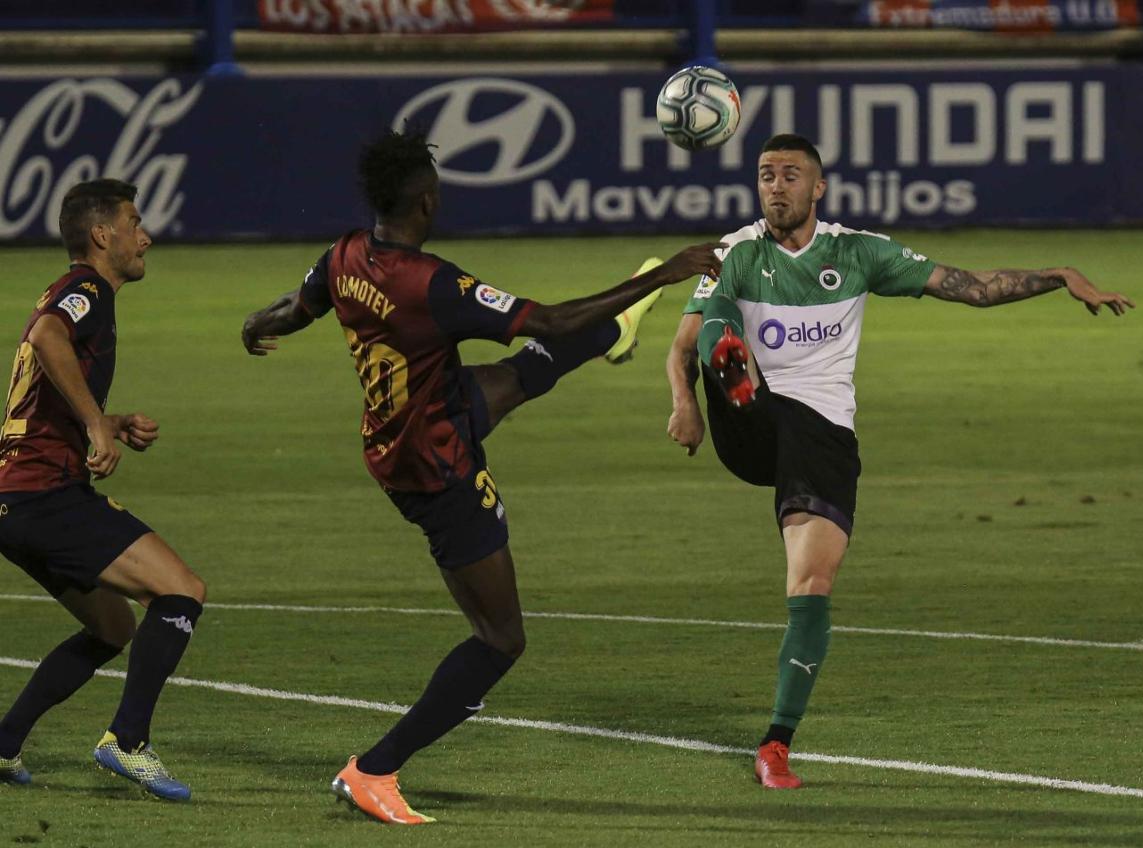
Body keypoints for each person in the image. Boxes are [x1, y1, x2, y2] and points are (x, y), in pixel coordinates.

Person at [240, 128, 721, 825]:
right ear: (428, 201)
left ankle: (617, 334)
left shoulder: (345, 253)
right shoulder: (433, 284)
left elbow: (298, 304)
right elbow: (550, 318)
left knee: (523, 375)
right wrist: (663, 273)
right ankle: (375, 769)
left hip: (406, 424)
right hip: (438, 471)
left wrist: (257, 321)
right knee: (500, 639)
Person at [665, 133, 1135, 790]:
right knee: (720, 333)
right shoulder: (735, 252)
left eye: (791, 175)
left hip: (821, 437)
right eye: (767, 174)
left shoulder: (859, 253)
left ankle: (775, 745)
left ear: (818, 187)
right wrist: (684, 401)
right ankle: (735, 380)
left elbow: (969, 286)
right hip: (751, 422)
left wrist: (1057, 277)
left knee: (811, 588)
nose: (776, 186)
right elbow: (684, 345)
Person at [0, 179, 208, 801]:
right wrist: (96, 422)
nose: (145, 236)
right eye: (135, 222)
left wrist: (106, 421)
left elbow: (39, 391)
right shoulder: (87, 290)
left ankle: (4, 742)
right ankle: (128, 741)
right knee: (181, 591)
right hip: (45, 495)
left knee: (112, 629)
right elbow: (45, 336)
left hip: (16, 499)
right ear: (101, 235)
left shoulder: (71, 292)